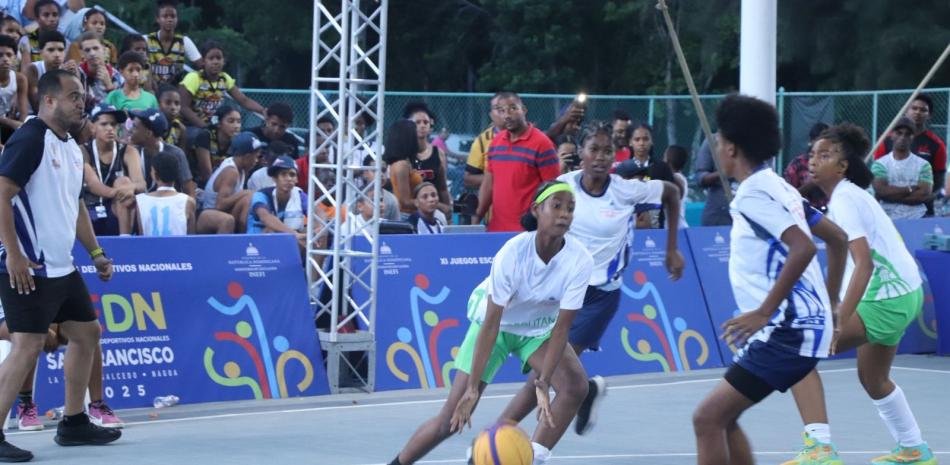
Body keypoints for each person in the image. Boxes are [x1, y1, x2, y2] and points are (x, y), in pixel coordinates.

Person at [496, 122, 685, 439]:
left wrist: (672, 248)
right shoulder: (562, 187)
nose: (600, 156)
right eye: (593, 149)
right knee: (548, 375)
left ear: (614, 156)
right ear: (580, 153)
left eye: (607, 150)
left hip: (598, 298)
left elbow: (672, 193)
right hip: (558, 292)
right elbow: (534, 227)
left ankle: (502, 439)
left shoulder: (626, 190)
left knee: (547, 374)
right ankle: (575, 398)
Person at [387, 180, 594, 465]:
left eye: (570, 208)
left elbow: (561, 327)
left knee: (574, 386)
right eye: (556, 206)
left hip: (537, 329)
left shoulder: (580, 260)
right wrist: (473, 388)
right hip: (495, 327)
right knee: (450, 419)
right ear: (536, 210)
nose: (564, 214)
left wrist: (544, 381)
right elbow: (492, 321)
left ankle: (529, 458)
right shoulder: (512, 253)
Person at [692, 95, 842, 465]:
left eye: (719, 142)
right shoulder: (779, 186)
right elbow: (837, 239)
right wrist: (831, 306)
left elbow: (803, 248)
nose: (717, 148)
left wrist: (763, 311)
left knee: (707, 419)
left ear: (731, 148)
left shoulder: (753, 196)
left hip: (785, 331)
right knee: (724, 420)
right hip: (798, 326)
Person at [782, 123, 938, 465]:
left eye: (825, 155)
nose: (813, 160)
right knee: (874, 378)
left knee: (798, 348)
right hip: (903, 293)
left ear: (843, 166)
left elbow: (863, 264)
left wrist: (837, 319)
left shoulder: (847, 199)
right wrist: (833, 299)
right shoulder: (845, 197)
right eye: (813, 153)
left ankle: (819, 448)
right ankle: (914, 448)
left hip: (886, 297)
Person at [0, 68, 121, 462]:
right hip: (29, 266)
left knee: (87, 333)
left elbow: (77, 208)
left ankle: (73, 422)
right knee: (28, 345)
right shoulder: (31, 138)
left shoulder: (72, 147)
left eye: (82, 94)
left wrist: (97, 253)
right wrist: (14, 253)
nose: (80, 101)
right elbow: (1, 194)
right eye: (72, 95)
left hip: (61, 266)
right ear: (48, 100)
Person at [473, 91, 560, 232]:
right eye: (502, 111)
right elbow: (488, 185)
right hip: (496, 230)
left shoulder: (542, 143)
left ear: (524, 110)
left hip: (528, 233)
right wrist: (476, 219)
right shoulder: (496, 142)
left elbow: (552, 191)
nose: (507, 115)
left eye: (513, 108)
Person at [874, 94, 946, 215]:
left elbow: (937, 184)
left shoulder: (937, 145)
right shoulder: (885, 141)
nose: (918, 112)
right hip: (887, 212)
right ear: (906, 110)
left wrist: (920, 197)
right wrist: (908, 192)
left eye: (923, 110)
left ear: (929, 115)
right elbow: (879, 185)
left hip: (922, 213)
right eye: (914, 108)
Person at [80, 103, 145, 236]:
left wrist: (129, 188)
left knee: (124, 182)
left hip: (116, 210)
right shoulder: (82, 151)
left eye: (113, 124)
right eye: (104, 124)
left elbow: (141, 184)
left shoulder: (128, 151)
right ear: (93, 127)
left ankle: (124, 240)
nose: (110, 128)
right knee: (123, 186)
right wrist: (119, 191)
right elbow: (94, 185)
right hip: (89, 210)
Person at [178, 40, 263, 128]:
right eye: (211, 58)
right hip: (189, 126)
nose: (215, 62)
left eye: (218, 58)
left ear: (224, 61)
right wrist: (205, 128)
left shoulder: (225, 79)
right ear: (203, 61)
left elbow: (244, 100)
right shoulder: (194, 78)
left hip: (212, 125)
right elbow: (183, 107)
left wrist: (263, 110)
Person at [871, 117, 933, 220]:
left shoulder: (924, 165)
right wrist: (909, 189)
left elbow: (923, 195)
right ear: (892, 135)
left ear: (913, 137)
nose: (903, 137)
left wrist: (890, 196)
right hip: (887, 217)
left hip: (916, 217)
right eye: (899, 133)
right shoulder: (879, 164)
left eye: (907, 134)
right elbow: (881, 191)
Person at [200, 131, 261, 234]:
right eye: (256, 156)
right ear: (246, 157)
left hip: (221, 212)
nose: (257, 161)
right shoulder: (231, 171)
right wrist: (244, 192)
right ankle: (243, 240)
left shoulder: (241, 168)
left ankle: (245, 237)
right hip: (209, 214)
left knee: (248, 199)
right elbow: (220, 205)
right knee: (247, 197)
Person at [128, 107, 195, 197]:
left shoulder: (175, 154)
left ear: (148, 133)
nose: (130, 130)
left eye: (135, 127)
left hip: (168, 205)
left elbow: (189, 191)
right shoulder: (131, 153)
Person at [246, 155, 307, 249]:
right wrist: (293, 234)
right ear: (274, 179)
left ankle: (314, 264)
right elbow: (265, 218)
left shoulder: (299, 194)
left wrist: (318, 228)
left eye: (292, 175)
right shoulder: (261, 195)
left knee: (315, 233)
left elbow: (317, 212)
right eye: (283, 174)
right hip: (256, 244)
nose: (289, 178)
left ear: (296, 179)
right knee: (272, 230)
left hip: (287, 240)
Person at [403, 101, 451, 216]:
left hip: (433, 209)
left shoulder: (438, 153)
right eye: (417, 122)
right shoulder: (402, 154)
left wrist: (447, 209)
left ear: (431, 125)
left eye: (425, 122)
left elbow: (442, 187)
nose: (422, 125)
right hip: (407, 212)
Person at [136, 151, 195, 236]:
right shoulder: (189, 201)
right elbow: (191, 237)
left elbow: (142, 233)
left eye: (151, 171)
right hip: (179, 249)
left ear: (155, 175)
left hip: (149, 248)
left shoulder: (140, 200)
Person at [144, 0, 201, 86]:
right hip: (151, 90)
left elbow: (202, 65)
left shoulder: (184, 41)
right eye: (165, 16)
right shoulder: (146, 40)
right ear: (157, 19)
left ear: (177, 19)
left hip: (175, 93)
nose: (169, 19)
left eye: (173, 16)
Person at [463, 92, 507, 190]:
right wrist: (499, 178)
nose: (503, 111)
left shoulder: (531, 138)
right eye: (497, 108)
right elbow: (468, 179)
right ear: (491, 115)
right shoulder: (482, 141)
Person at [190, 104, 242, 183]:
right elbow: (206, 173)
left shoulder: (238, 141)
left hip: (223, 183)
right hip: (198, 183)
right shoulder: (205, 136)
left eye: (238, 122)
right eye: (231, 121)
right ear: (219, 123)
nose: (236, 126)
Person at [784, 122, 830, 209]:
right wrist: (812, 184)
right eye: (819, 142)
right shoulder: (798, 164)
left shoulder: (834, 165)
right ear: (811, 142)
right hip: (806, 215)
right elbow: (787, 198)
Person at [26, 29, 69, 110]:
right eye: (51, 50)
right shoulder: (33, 69)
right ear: (41, 52)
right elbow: (37, 104)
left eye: (60, 50)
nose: (57, 55)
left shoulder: (67, 71)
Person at [694, 136, 734, 226]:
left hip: (749, 215)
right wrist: (723, 173)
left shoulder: (753, 141)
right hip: (718, 215)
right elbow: (700, 178)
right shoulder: (712, 141)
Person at [75, 31, 118, 113]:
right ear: (81, 54)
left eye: (96, 48)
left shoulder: (116, 75)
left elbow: (121, 107)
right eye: (87, 50)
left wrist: (109, 86)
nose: (92, 53)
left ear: (104, 49)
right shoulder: (76, 74)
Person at [17, 0, 60, 73]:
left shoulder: (65, 41)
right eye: (46, 15)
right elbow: (25, 73)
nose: (51, 19)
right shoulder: (26, 41)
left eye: (55, 15)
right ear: (37, 18)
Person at [0, 34, 28, 144]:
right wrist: (9, 122)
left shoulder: (20, 79)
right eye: (0, 55)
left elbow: (23, 113)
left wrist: (22, 129)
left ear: (15, 58)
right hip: (6, 121)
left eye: (9, 55)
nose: (5, 59)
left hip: (7, 121)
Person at [157, 83, 185, 148]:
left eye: (177, 103)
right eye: (168, 103)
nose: (173, 107)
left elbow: (181, 155)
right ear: (158, 104)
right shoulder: (150, 127)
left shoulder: (180, 128)